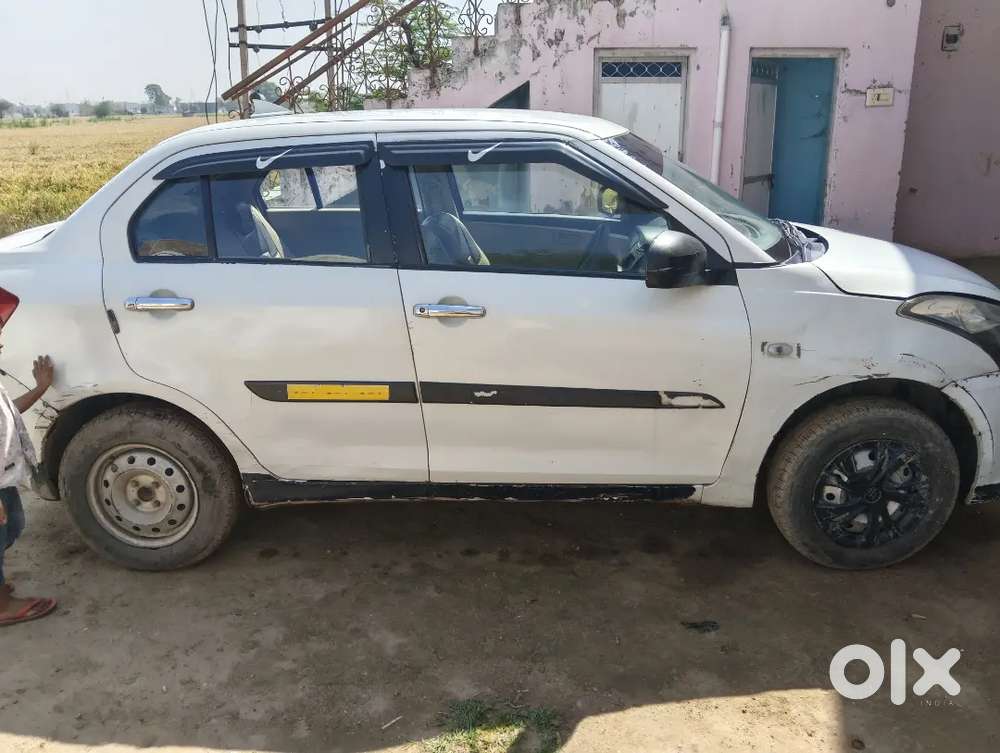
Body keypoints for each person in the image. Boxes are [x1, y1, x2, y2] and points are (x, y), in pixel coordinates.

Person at [0, 341, 57, 627]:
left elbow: (9, 412)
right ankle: (2, 607)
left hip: (4, 478)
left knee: (13, 526)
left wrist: (40, 388)